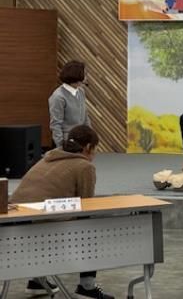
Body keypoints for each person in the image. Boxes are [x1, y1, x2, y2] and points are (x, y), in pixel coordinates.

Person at [10, 125, 114, 299]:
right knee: (91, 228)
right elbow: (87, 205)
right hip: (42, 230)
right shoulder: (84, 166)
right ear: (88, 147)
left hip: (13, 229)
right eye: (95, 149)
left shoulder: (47, 158)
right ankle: (87, 288)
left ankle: (37, 281)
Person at [48, 60, 90, 148]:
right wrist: (61, 146)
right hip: (68, 142)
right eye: (84, 74)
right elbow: (56, 124)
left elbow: (85, 117)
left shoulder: (81, 91)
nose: (86, 77)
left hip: (82, 140)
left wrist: (90, 136)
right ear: (77, 75)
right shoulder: (58, 97)